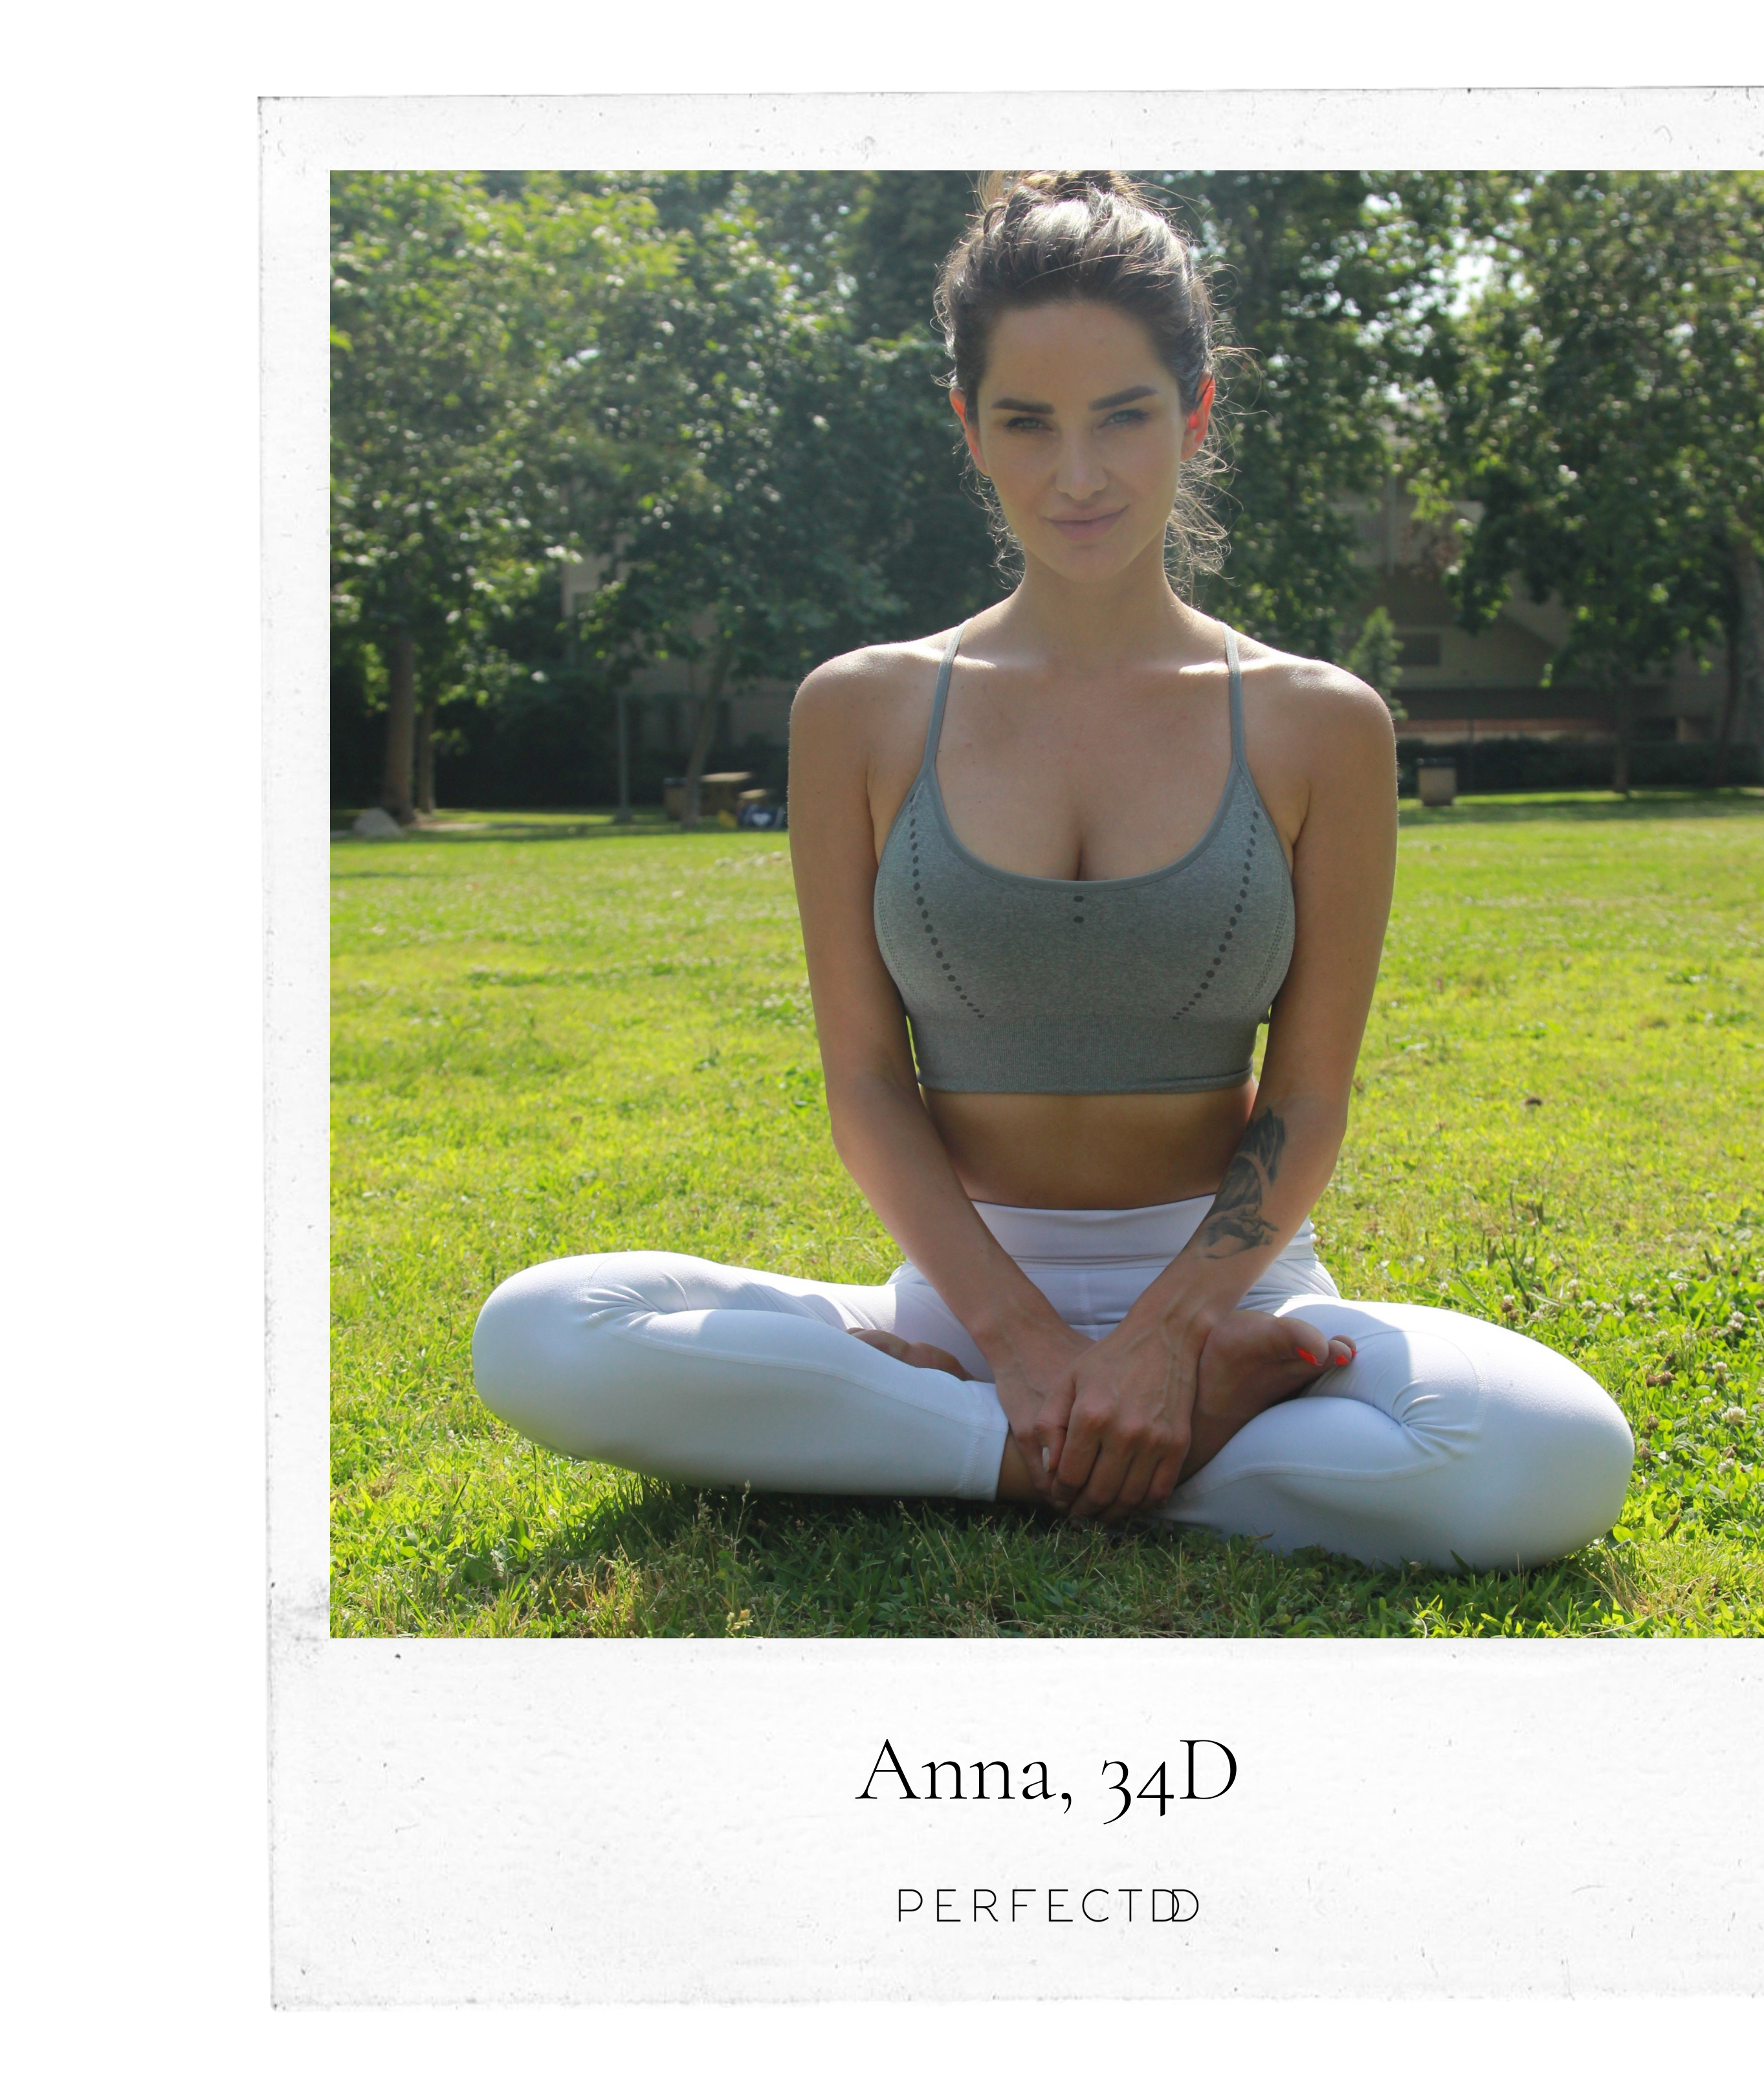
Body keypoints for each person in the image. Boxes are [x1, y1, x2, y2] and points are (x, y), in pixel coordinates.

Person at [472, 173, 1633, 1571]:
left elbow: (1312, 1092)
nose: (1076, 474)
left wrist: (1173, 1336)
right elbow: (864, 1082)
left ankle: (949, 1444)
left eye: (1123, 416)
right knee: (538, 1333)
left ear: (1194, 417)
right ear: (970, 429)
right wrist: (1023, 1350)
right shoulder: (863, 709)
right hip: (958, 1309)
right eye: (1026, 421)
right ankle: (1066, 1445)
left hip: (1237, 1295)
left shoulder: (1322, 722)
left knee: (1558, 1455)